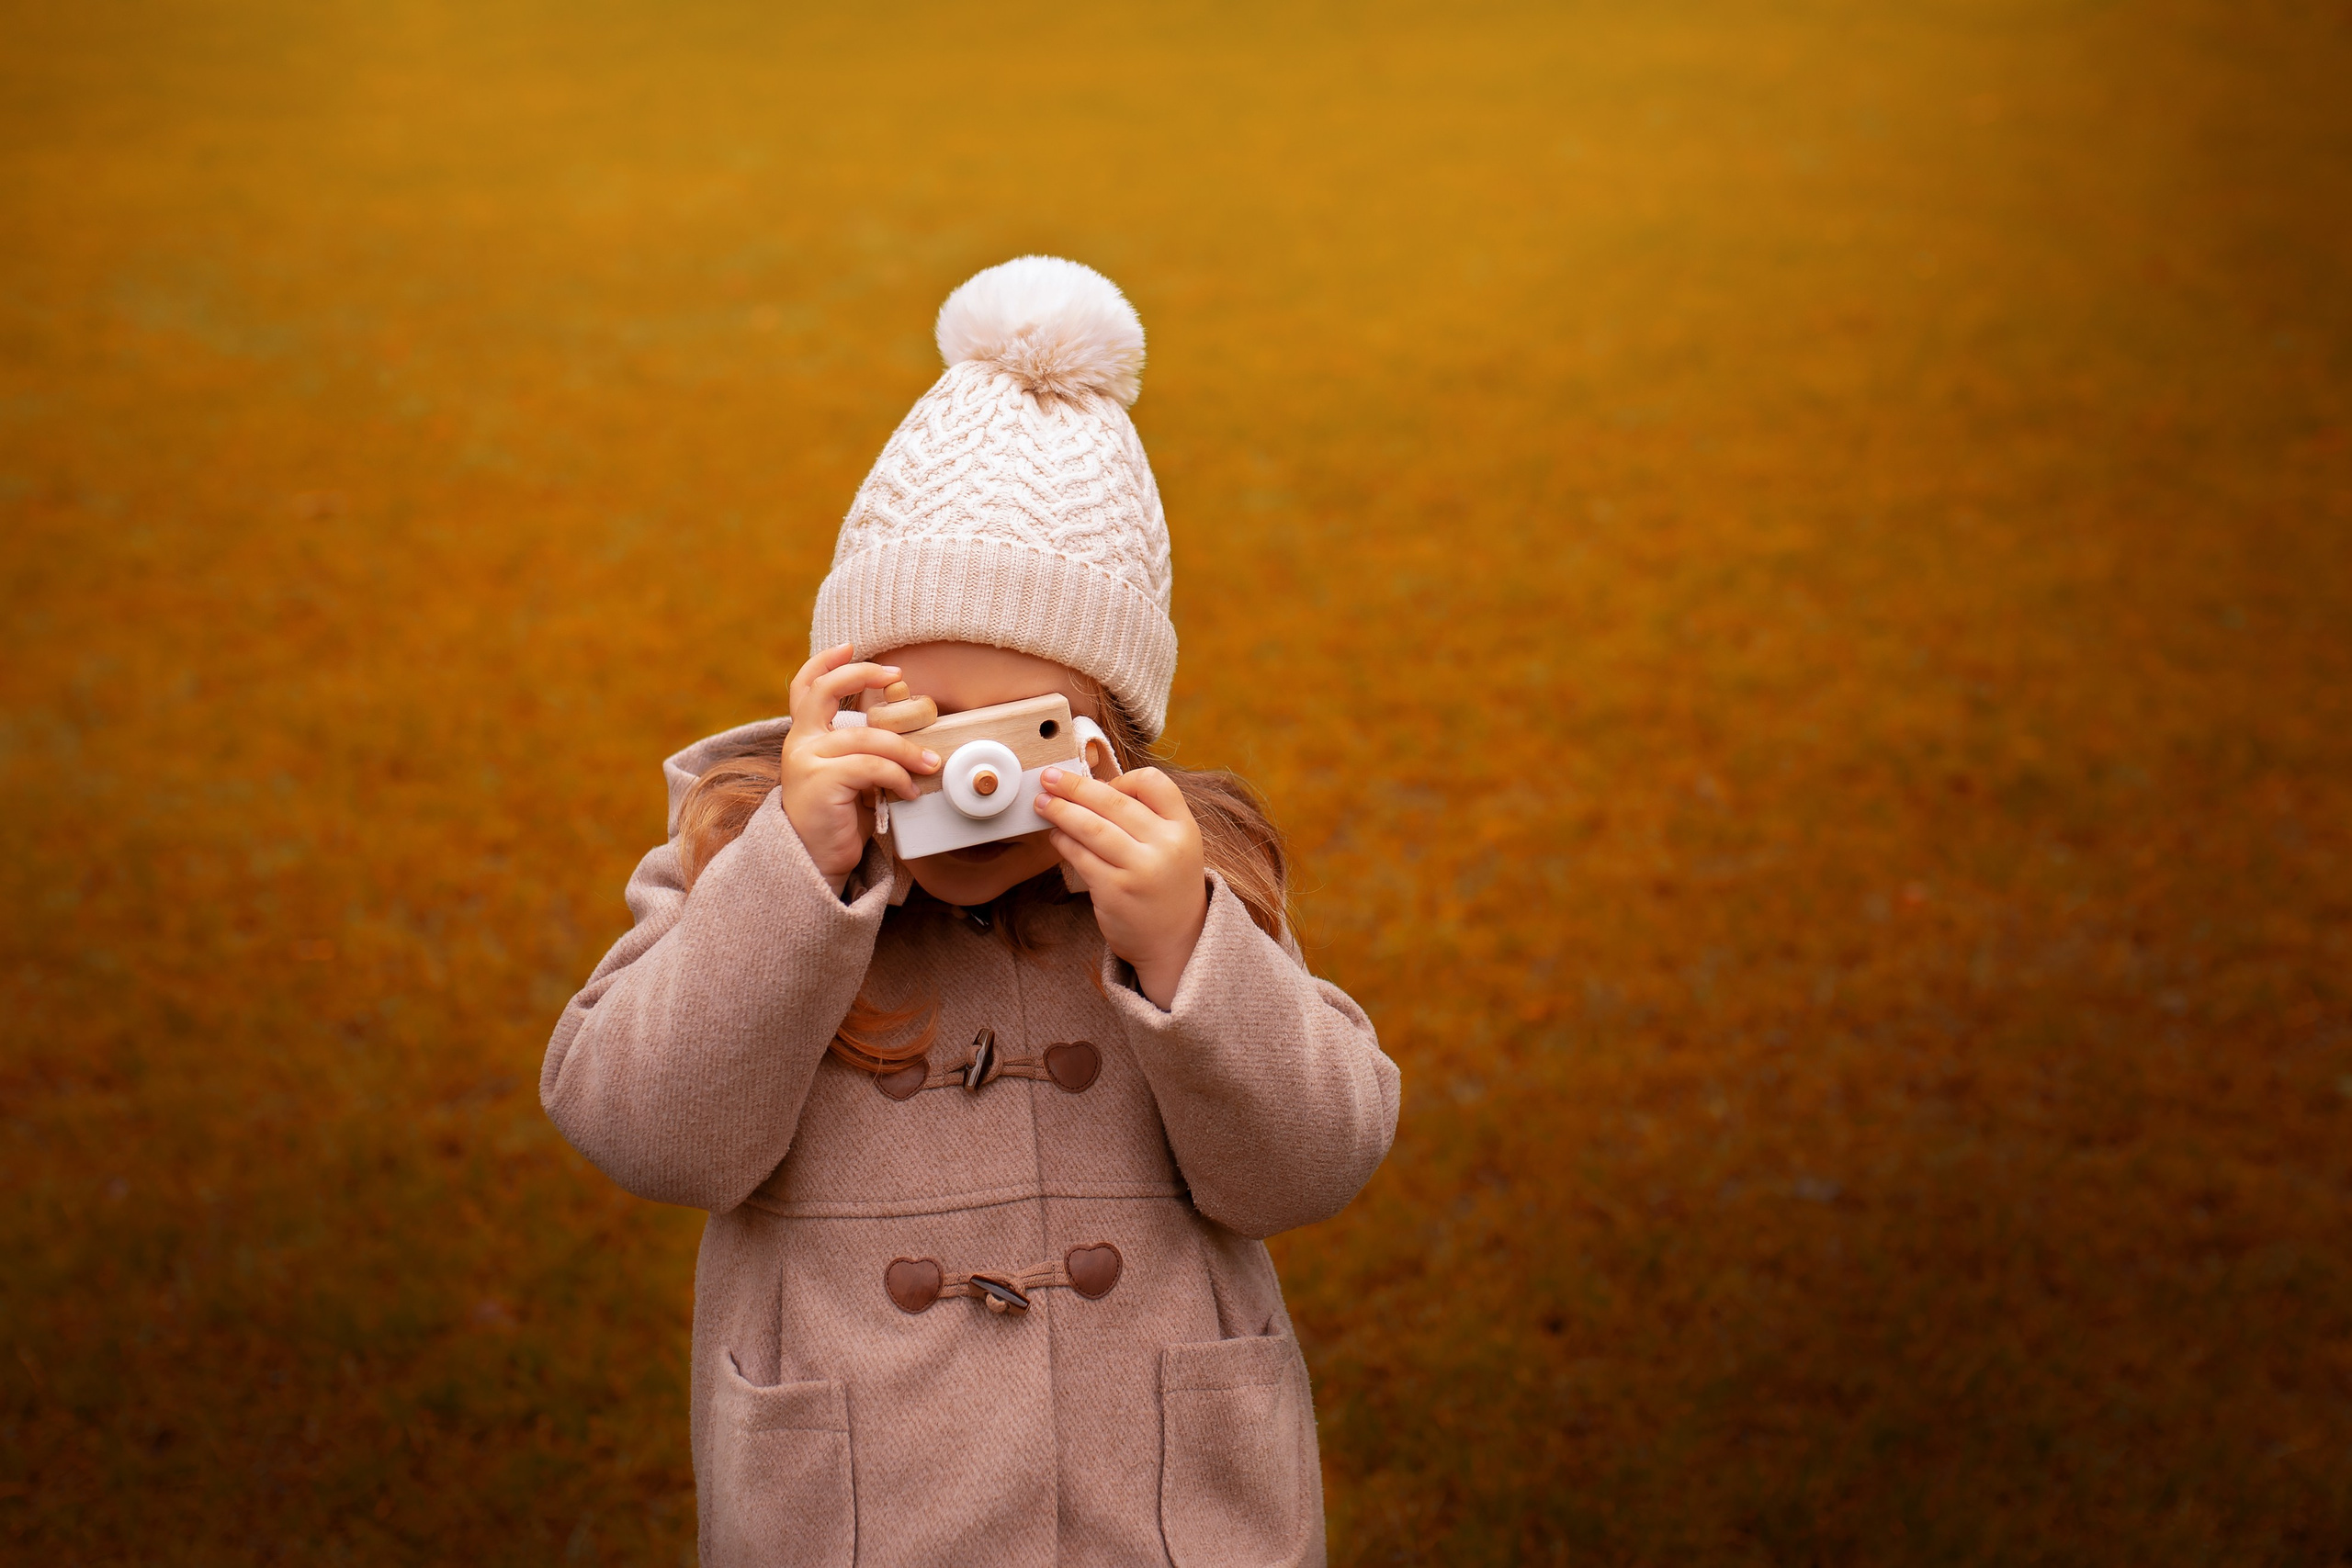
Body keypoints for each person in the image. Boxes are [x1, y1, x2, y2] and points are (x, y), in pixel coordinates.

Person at [540, 255, 1399, 1568]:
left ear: (1114, 741)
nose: (965, 775)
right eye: (918, 718)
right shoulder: (745, 863)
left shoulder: (1179, 885)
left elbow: (1312, 1165)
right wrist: (800, 871)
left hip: (1163, 1527)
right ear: (836, 698)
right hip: (860, 1522)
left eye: (1023, 733)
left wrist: (1185, 950)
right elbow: (648, 1134)